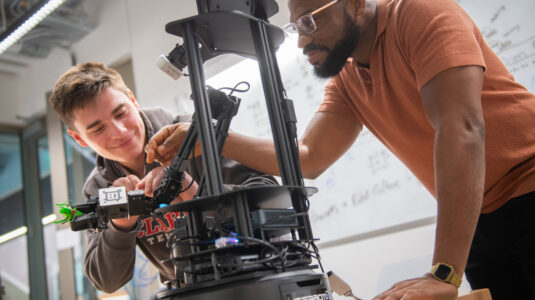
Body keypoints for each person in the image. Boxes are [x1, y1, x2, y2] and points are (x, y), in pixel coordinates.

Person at [144, 0, 535, 299]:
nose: (301, 40)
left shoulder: (421, 14)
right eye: (295, 26)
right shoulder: (348, 78)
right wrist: (210, 135)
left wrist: (444, 273)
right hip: (481, 217)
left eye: (311, 21)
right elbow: (309, 156)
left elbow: (462, 128)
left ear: (356, 4)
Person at [48, 62, 278, 294]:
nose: (119, 132)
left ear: (133, 100)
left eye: (120, 113)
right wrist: (120, 224)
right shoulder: (99, 187)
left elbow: (271, 199)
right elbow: (107, 281)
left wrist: (193, 192)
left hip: (256, 280)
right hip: (188, 291)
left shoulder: (193, 136)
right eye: (97, 129)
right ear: (79, 139)